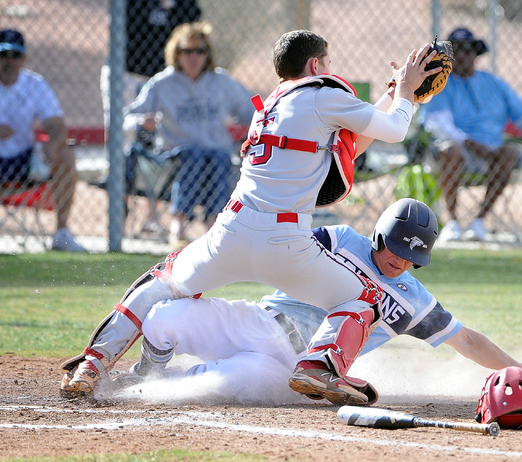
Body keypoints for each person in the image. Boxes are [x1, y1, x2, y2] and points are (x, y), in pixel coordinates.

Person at [60, 29, 443, 406]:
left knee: (161, 283)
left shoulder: (275, 103)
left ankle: (95, 363)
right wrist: (408, 91)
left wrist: (393, 93)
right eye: (326, 62)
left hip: (231, 231)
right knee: (362, 299)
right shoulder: (322, 94)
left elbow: (351, 144)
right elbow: (394, 129)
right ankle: (320, 366)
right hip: (287, 241)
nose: (330, 69)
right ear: (314, 64)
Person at [115, 199, 522, 404]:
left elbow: (467, 341)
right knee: (161, 318)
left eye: (412, 256)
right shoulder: (338, 238)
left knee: (211, 387)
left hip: (293, 372)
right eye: (395, 248)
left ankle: (157, 383)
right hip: (264, 323)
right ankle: (147, 369)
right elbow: (278, 249)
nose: (399, 262)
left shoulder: (412, 298)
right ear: (379, 236)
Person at [123, 21, 255, 247]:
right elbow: (127, 116)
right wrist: (139, 121)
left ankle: (216, 225)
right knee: (193, 154)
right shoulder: (162, 83)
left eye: (199, 51)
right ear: (176, 53)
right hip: (174, 158)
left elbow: (251, 112)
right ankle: (179, 224)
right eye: (186, 51)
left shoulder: (221, 81)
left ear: (208, 54)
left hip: (217, 155)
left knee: (219, 156)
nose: (193, 57)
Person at [419, 27, 522, 242]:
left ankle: (479, 221)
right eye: (456, 51)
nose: (462, 56)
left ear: (476, 54)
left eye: (468, 50)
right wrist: (468, 143)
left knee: (510, 153)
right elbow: (435, 123)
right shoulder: (439, 82)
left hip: (491, 154)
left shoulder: (494, 83)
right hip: (453, 153)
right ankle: (452, 222)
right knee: (451, 150)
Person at [0, 29, 85, 252]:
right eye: (3, 54)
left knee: (65, 155)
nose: (9, 61)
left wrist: (52, 144)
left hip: (21, 160)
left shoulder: (34, 85)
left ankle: (61, 233)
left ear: (24, 59)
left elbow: (57, 126)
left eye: (15, 56)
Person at [100, 0, 201, 129]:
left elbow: (191, 29)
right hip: (126, 73)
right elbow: (128, 25)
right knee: (123, 129)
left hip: (164, 77)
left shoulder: (185, 4)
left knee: (165, 133)